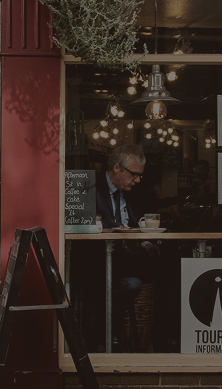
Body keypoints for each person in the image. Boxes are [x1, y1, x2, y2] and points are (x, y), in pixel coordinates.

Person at [92, 144, 162, 350]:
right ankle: (107, 332)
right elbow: (96, 224)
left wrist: (146, 242)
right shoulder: (91, 188)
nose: (138, 180)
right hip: (95, 260)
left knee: (166, 266)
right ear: (116, 168)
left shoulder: (131, 192)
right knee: (131, 284)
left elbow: (132, 224)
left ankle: (157, 338)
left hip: (124, 257)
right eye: (134, 174)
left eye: (140, 176)